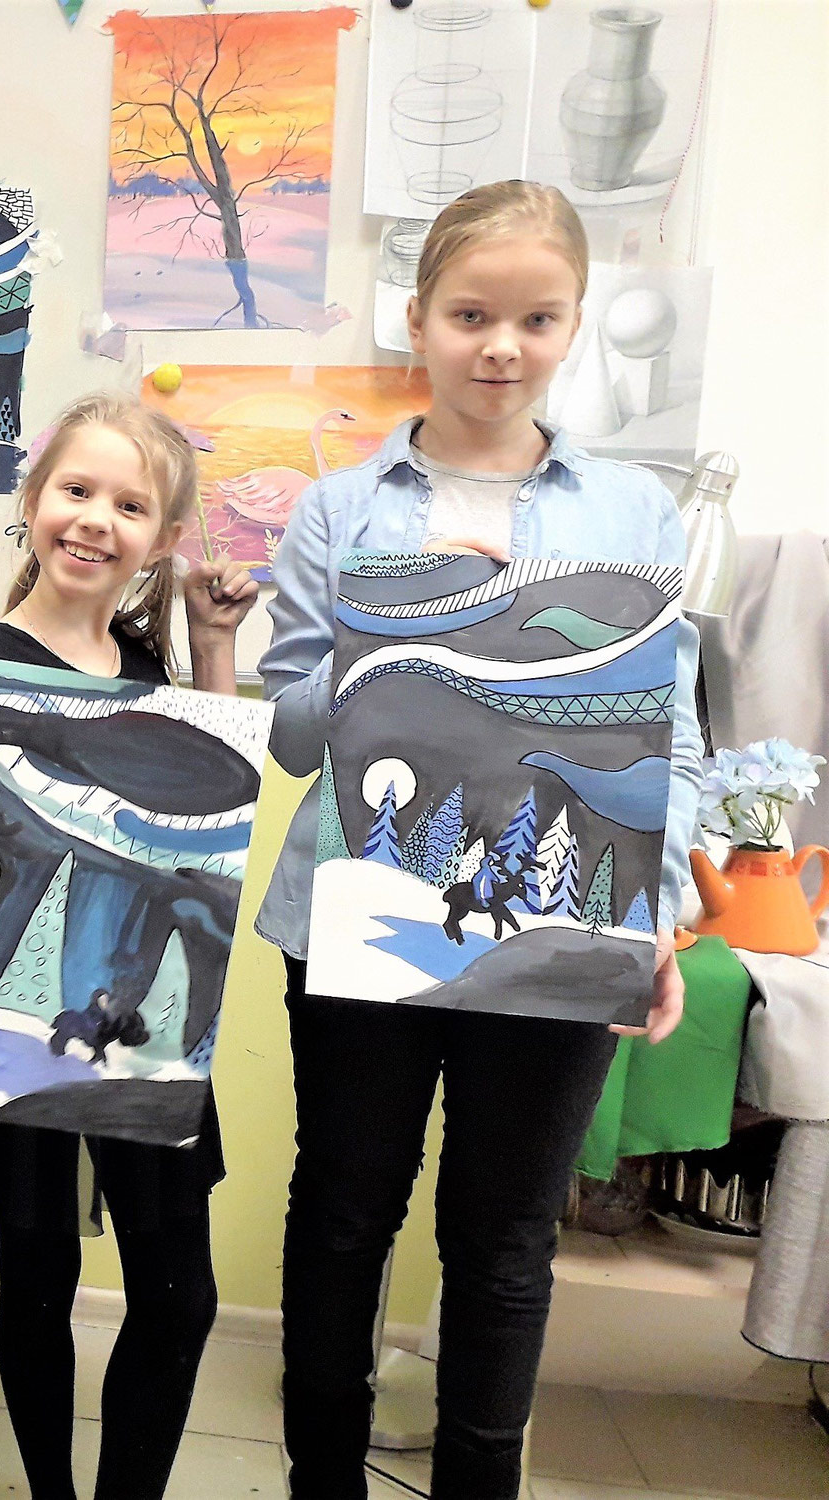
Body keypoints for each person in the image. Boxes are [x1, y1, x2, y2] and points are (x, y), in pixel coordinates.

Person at [253, 181, 696, 1500]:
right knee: (345, 1211)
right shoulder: (343, 509)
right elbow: (291, 738)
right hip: (357, 917)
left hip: (563, 923)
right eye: (469, 315)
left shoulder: (633, 514)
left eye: (536, 318)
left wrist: (656, 917)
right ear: (419, 319)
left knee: (503, 1237)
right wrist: (408, 620)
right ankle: (320, 1479)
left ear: (573, 325)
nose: (501, 346)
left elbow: (671, 734)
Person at [0, 393, 258, 1500]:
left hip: (141, 1031)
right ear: (33, 500)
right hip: (27, 1022)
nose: (95, 519)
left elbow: (213, 786)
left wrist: (214, 646)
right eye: (76, 490)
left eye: (129, 505)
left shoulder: (146, 660)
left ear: (164, 538)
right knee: (37, 1284)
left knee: (179, 1295)